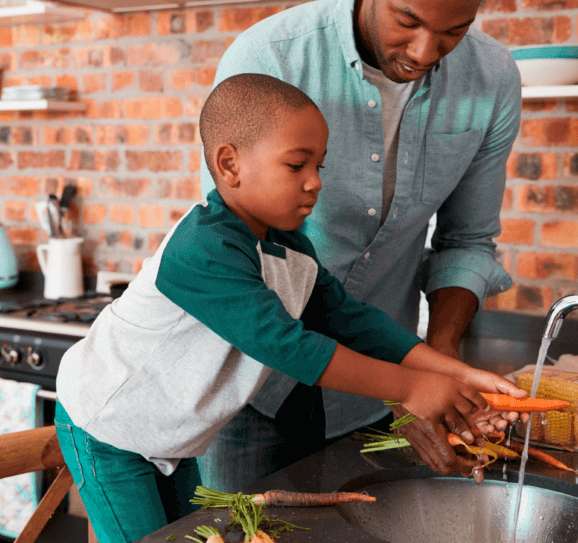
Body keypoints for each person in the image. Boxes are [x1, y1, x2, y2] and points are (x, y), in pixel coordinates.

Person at [55, 73, 525, 543]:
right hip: (108, 428)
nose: (315, 183)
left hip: (167, 437)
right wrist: (413, 385)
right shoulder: (203, 248)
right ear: (230, 165)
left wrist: (454, 372)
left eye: (319, 166)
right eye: (297, 165)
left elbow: (350, 320)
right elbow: (288, 347)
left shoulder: (289, 248)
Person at [198, 0, 523, 489]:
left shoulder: (493, 79)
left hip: (373, 399)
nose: (424, 52)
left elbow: (467, 241)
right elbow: (240, 255)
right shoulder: (269, 59)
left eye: (454, 30)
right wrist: (408, 382)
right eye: (408, 21)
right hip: (252, 389)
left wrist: (439, 364)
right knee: (239, 530)